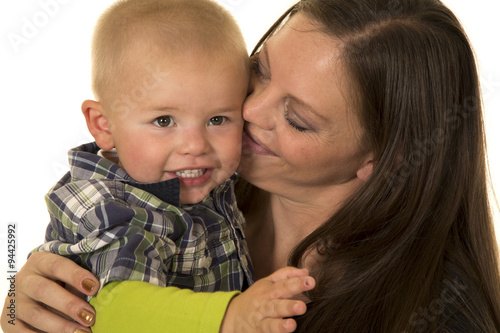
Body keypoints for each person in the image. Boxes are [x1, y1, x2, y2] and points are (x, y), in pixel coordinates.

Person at [3, 0, 500, 332]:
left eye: (298, 119)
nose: (250, 111)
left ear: (382, 159)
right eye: (259, 71)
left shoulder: (436, 315)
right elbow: (105, 299)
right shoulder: (194, 184)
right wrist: (25, 309)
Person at [4, 0, 314, 332]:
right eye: (164, 120)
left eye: (218, 119)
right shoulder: (113, 207)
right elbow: (112, 308)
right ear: (103, 126)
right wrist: (230, 316)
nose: (196, 146)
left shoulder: (204, 181)